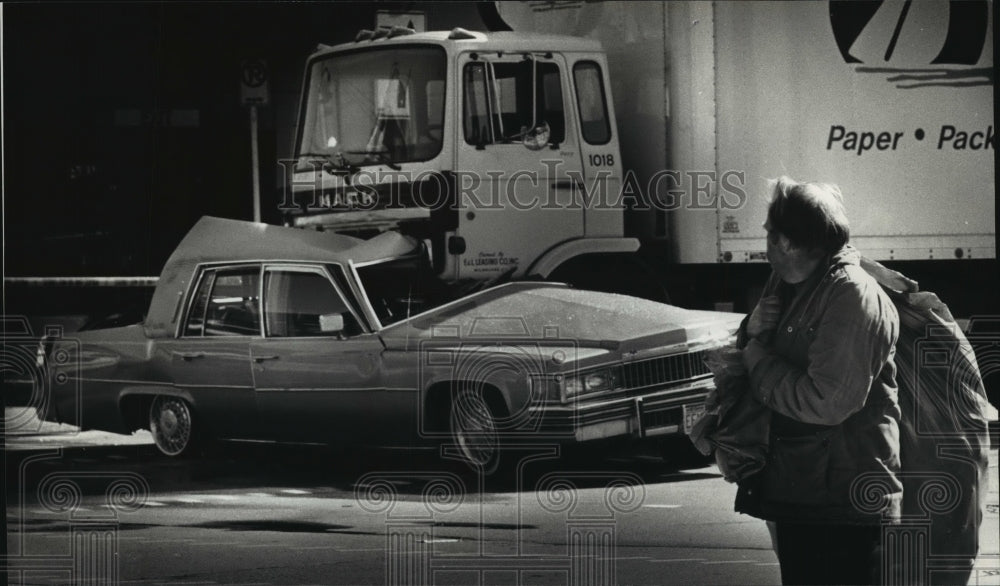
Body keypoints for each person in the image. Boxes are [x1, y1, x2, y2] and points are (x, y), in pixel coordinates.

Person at [735, 176, 902, 585]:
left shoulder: (850, 296)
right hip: (806, 491)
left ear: (789, 243)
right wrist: (750, 329)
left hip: (844, 504)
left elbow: (827, 400)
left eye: (770, 237)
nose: (765, 247)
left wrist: (755, 357)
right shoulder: (791, 282)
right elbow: (764, 345)